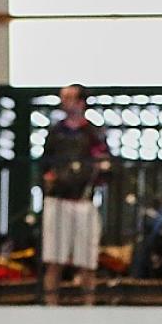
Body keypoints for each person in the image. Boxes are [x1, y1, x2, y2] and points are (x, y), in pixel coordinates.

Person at [41, 83, 111, 306]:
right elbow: (45, 163)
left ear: (81, 102)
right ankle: (51, 305)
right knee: (54, 258)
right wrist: (50, 178)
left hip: (83, 201)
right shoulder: (55, 132)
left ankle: (87, 305)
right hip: (58, 200)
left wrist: (99, 169)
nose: (64, 102)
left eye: (69, 97)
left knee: (87, 259)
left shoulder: (93, 132)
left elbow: (106, 163)